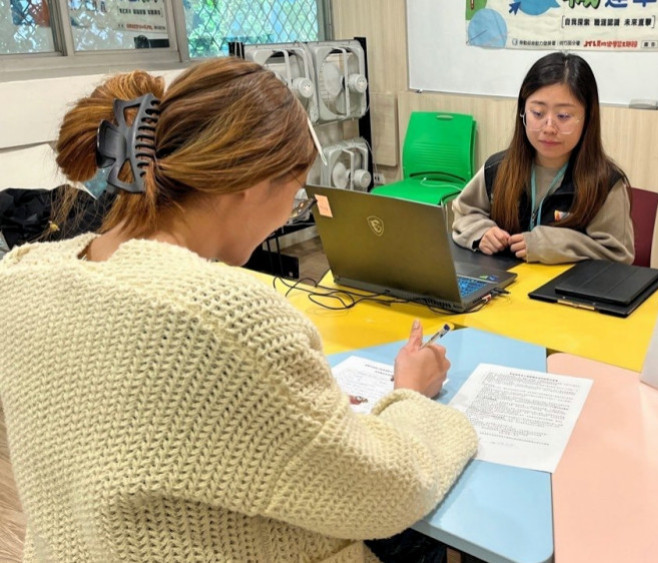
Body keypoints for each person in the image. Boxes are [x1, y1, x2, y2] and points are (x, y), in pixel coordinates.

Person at [0, 57, 477, 562]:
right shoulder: (226, 321)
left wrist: (295, 411)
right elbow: (393, 491)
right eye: (295, 194)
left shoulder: (21, 276)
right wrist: (411, 393)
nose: (287, 215)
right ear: (252, 179)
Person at [451, 52, 634, 264]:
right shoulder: (498, 168)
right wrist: (481, 232)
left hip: (566, 285)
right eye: (537, 113)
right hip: (505, 282)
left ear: (587, 119)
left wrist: (556, 245)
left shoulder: (605, 183)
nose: (549, 128)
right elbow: (464, 212)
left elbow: (618, 255)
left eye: (563, 116)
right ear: (523, 113)